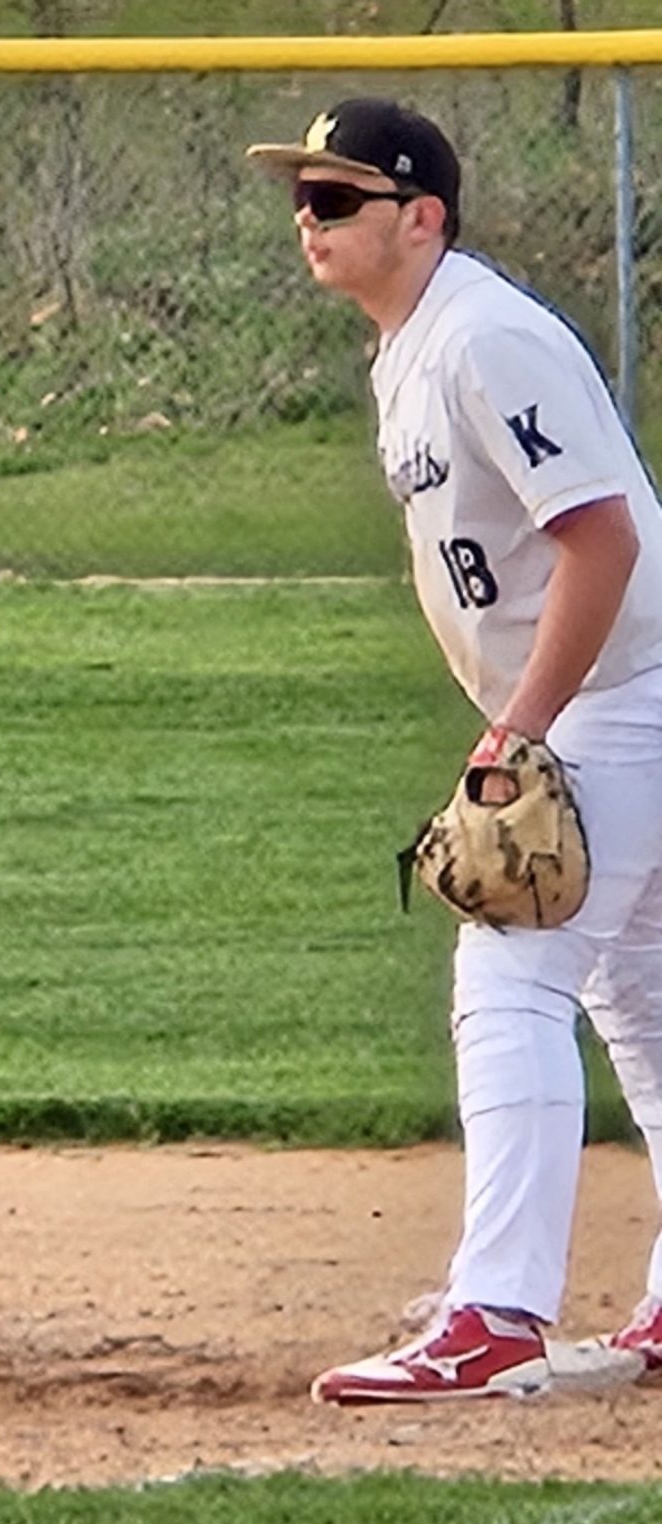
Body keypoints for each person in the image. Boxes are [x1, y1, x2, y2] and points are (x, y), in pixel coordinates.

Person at [244, 100, 662, 1402]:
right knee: (637, 997)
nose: (307, 219)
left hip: (630, 683)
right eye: (303, 198)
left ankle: (495, 1313)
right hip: (614, 687)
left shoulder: (487, 337)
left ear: (421, 215)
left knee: (512, 975)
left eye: (337, 198)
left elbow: (603, 536)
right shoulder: (416, 346)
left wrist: (521, 725)